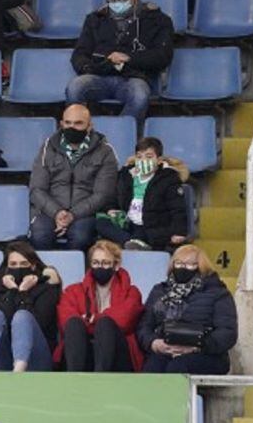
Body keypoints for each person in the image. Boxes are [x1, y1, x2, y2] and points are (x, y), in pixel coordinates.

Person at [68, 0, 174, 127]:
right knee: (75, 87)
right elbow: (79, 54)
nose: (116, 2)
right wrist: (93, 66)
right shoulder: (95, 19)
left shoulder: (157, 20)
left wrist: (129, 58)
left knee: (139, 95)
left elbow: (162, 56)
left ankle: (118, 133)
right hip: (99, 76)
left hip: (134, 78)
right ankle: (84, 132)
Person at [29, 104, 118, 251]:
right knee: (40, 236)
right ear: (61, 124)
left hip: (86, 213)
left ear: (89, 126)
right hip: (49, 211)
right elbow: (36, 189)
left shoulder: (105, 151)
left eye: (78, 123)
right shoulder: (47, 147)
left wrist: (72, 215)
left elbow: (103, 194)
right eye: (68, 123)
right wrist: (57, 213)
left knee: (81, 238)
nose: (72, 127)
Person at [138, 244, 238, 374]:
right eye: (178, 263)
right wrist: (154, 343)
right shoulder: (160, 291)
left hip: (207, 354)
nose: (183, 268)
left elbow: (227, 332)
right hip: (165, 350)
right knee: (153, 368)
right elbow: (144, 326)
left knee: (177, 367)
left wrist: (197, 346)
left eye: (190, 264)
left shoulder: (218, 293)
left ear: (201, 266)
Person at [55, 240, 146, 372]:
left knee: (105, 324)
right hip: (82, 351)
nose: (100, 267)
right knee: (74, 323)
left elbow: (124, 321)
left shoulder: (132, 292)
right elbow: (66, 321)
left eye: (105, 263)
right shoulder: (72, 291)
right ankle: (74, 378)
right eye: (95, 263)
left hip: (117, 354)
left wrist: (93, 319)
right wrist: (90, 322)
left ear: (116, 265)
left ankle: (100, 378)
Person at [0, 241, 60, 372]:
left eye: (24, 264)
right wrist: (13, 291)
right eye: (13, 264)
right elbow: (5, 318)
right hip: (5, 357)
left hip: (37, 358)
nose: (18, 268)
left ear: (33, 266)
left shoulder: (47, 288)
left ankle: (18, 371)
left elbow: (41, 323)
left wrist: (23, 292)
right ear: (7, 267)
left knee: (22, 316)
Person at [96, 137, 190, 251]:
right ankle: (131, 242)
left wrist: (180, 231)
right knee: (100, 223)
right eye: (139, 156)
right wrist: (111, 209)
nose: (143, 160)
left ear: (159, 160)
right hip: (129, 223)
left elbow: (177, 208)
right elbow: (114, 196)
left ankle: (134, 242)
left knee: (148, 233)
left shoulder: (168, 179)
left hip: (151, 225)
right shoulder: (126, 175)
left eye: (149, 157)